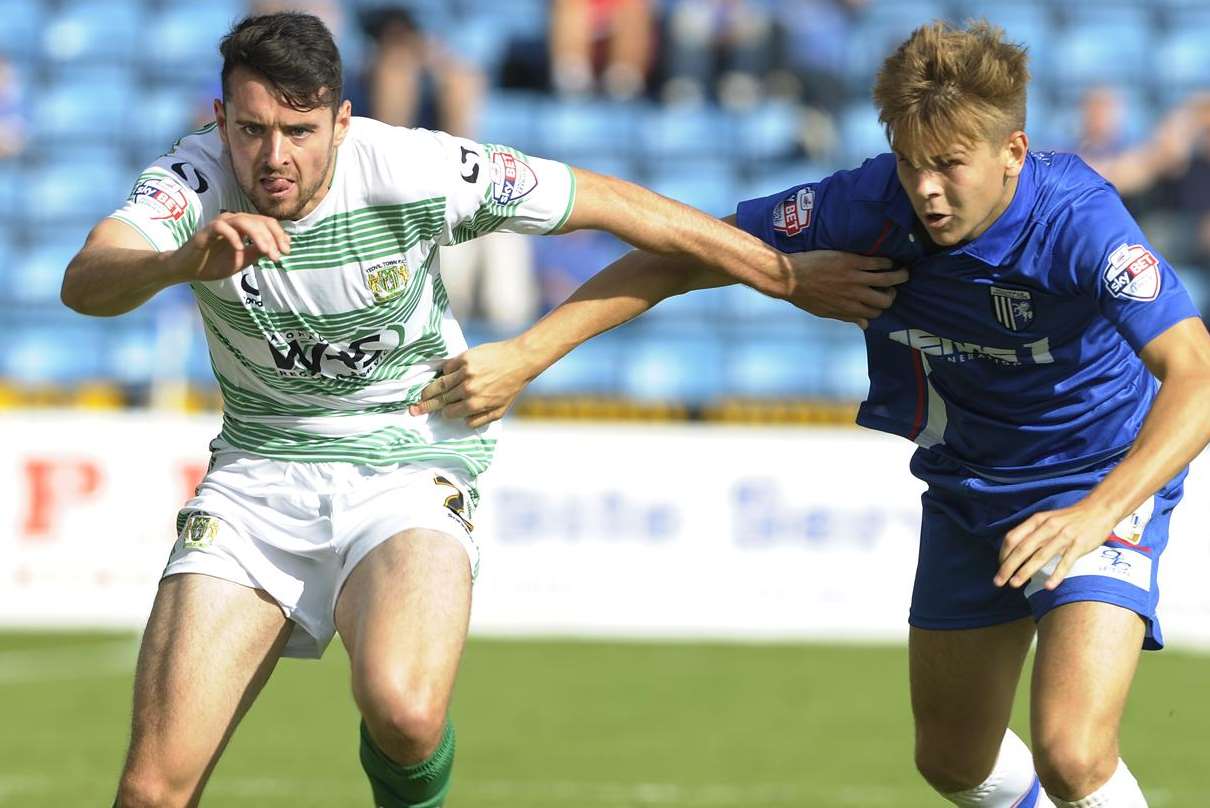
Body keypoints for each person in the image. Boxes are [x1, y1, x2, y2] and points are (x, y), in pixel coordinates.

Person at [59, 12, 902, 807]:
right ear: (221, 118)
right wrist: (178, 263)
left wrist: (780, 274)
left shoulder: (413, 167)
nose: (274, 156)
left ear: (342, 123)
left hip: (408, 457)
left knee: (404, 709)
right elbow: (86, 279)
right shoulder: (193, 180)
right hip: (256, 480)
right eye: (251, 130)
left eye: (299, 132)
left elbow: (613, 202)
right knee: (150, 791)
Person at [412, 21, 1210, 807]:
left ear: (1013, 152)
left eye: (949, 165)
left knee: (1073, 752)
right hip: (971, 491)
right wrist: (531, 352)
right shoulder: (868, 203)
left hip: (1098, 484)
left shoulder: (1076, 218)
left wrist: (1095, 512)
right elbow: (685, 252)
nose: (926, 188)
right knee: (953, 762)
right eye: (908, 162)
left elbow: (1197, 375)